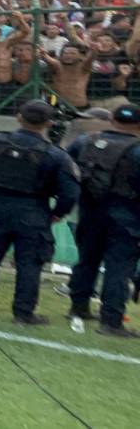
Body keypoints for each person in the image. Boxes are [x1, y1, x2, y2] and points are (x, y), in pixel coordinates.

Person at [0, 99, 80, 325]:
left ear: (19, 117)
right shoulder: (55, 155)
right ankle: (23, 312)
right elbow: (70, 192)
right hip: (33, 211)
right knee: (29, 263)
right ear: (49, 123)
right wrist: (57, 213)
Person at [65, 104, 140, 337]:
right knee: (118, 267)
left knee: (87, 260)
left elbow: (66, 166)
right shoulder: (136, 149)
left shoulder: (86, 140)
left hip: (89, 210)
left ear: (111, 119)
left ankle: (78, 308)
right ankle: (111, 321)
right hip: (126, 215)